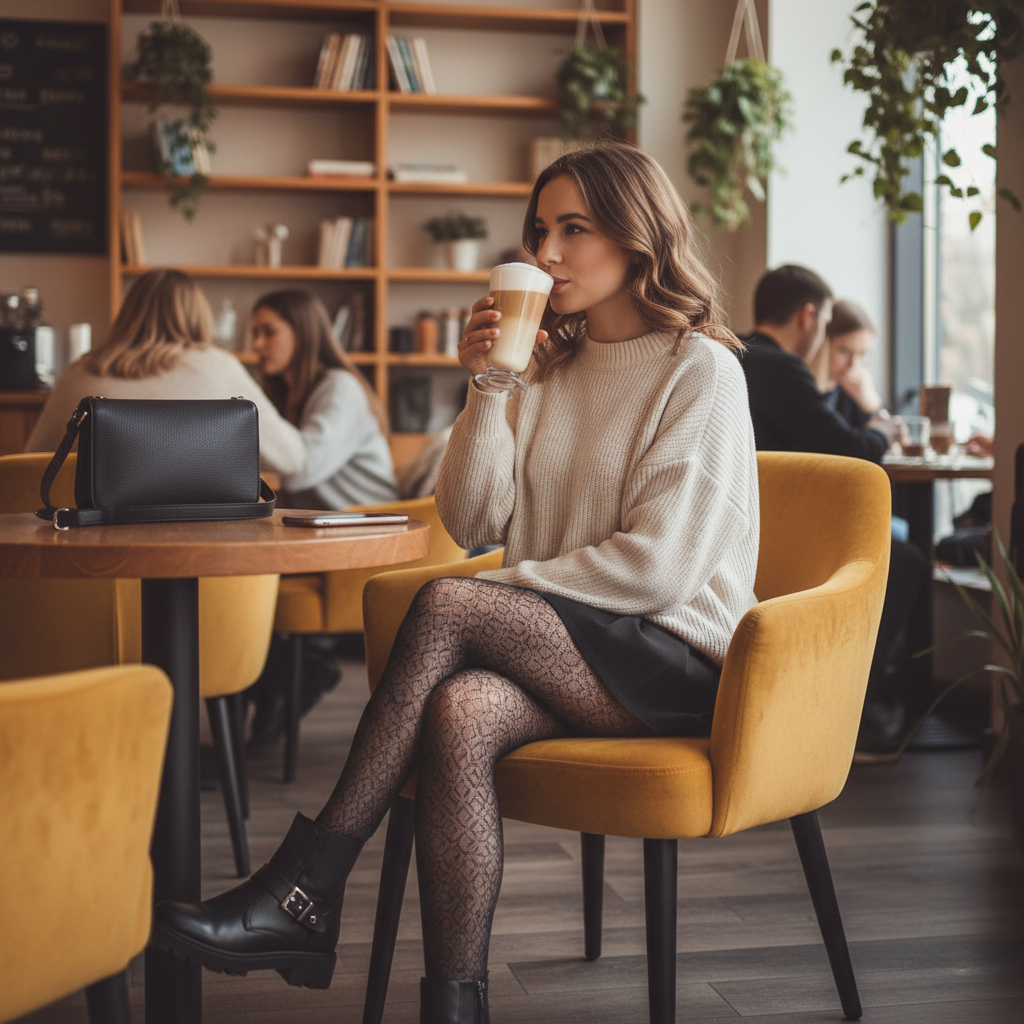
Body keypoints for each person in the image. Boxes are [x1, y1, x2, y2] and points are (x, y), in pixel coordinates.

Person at [152, 142, 760, 1024]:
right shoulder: (546, 369)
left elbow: (659, 567)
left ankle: (302, 892)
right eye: (539, 230)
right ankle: (453, 1003)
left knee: (451, 600)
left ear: (639, 238)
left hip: (674, 656)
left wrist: (504, 596)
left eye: (574, 230)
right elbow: (473, 521)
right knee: (459, 711)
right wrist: (490, 385)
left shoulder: (699, 370)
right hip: (575, 649)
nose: (546, 253)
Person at [740, 266, 931, 754]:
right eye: (828, 328)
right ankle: (852, 709)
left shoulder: (733, 353)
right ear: (809, 316)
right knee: (904, 560)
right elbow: (856, 450)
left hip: (743, 528)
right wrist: (882, 424)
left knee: (900, 546)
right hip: (776, 534)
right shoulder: (779, 367)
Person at [25, 269, 304, 475]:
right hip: (203, 543)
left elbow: (30, 465)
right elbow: (291, 459)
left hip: (91, 544)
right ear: (198, 315)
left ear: (128, 313)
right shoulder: (218, 366)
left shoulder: (80, 371)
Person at [249, 289, 397, 509]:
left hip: (374, 527)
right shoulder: (287, 393)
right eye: (255, 334)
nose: (257, 344)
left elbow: (300, 470)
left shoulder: (340, 388)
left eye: (269, 332)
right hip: (328, 524)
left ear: (302, 334)